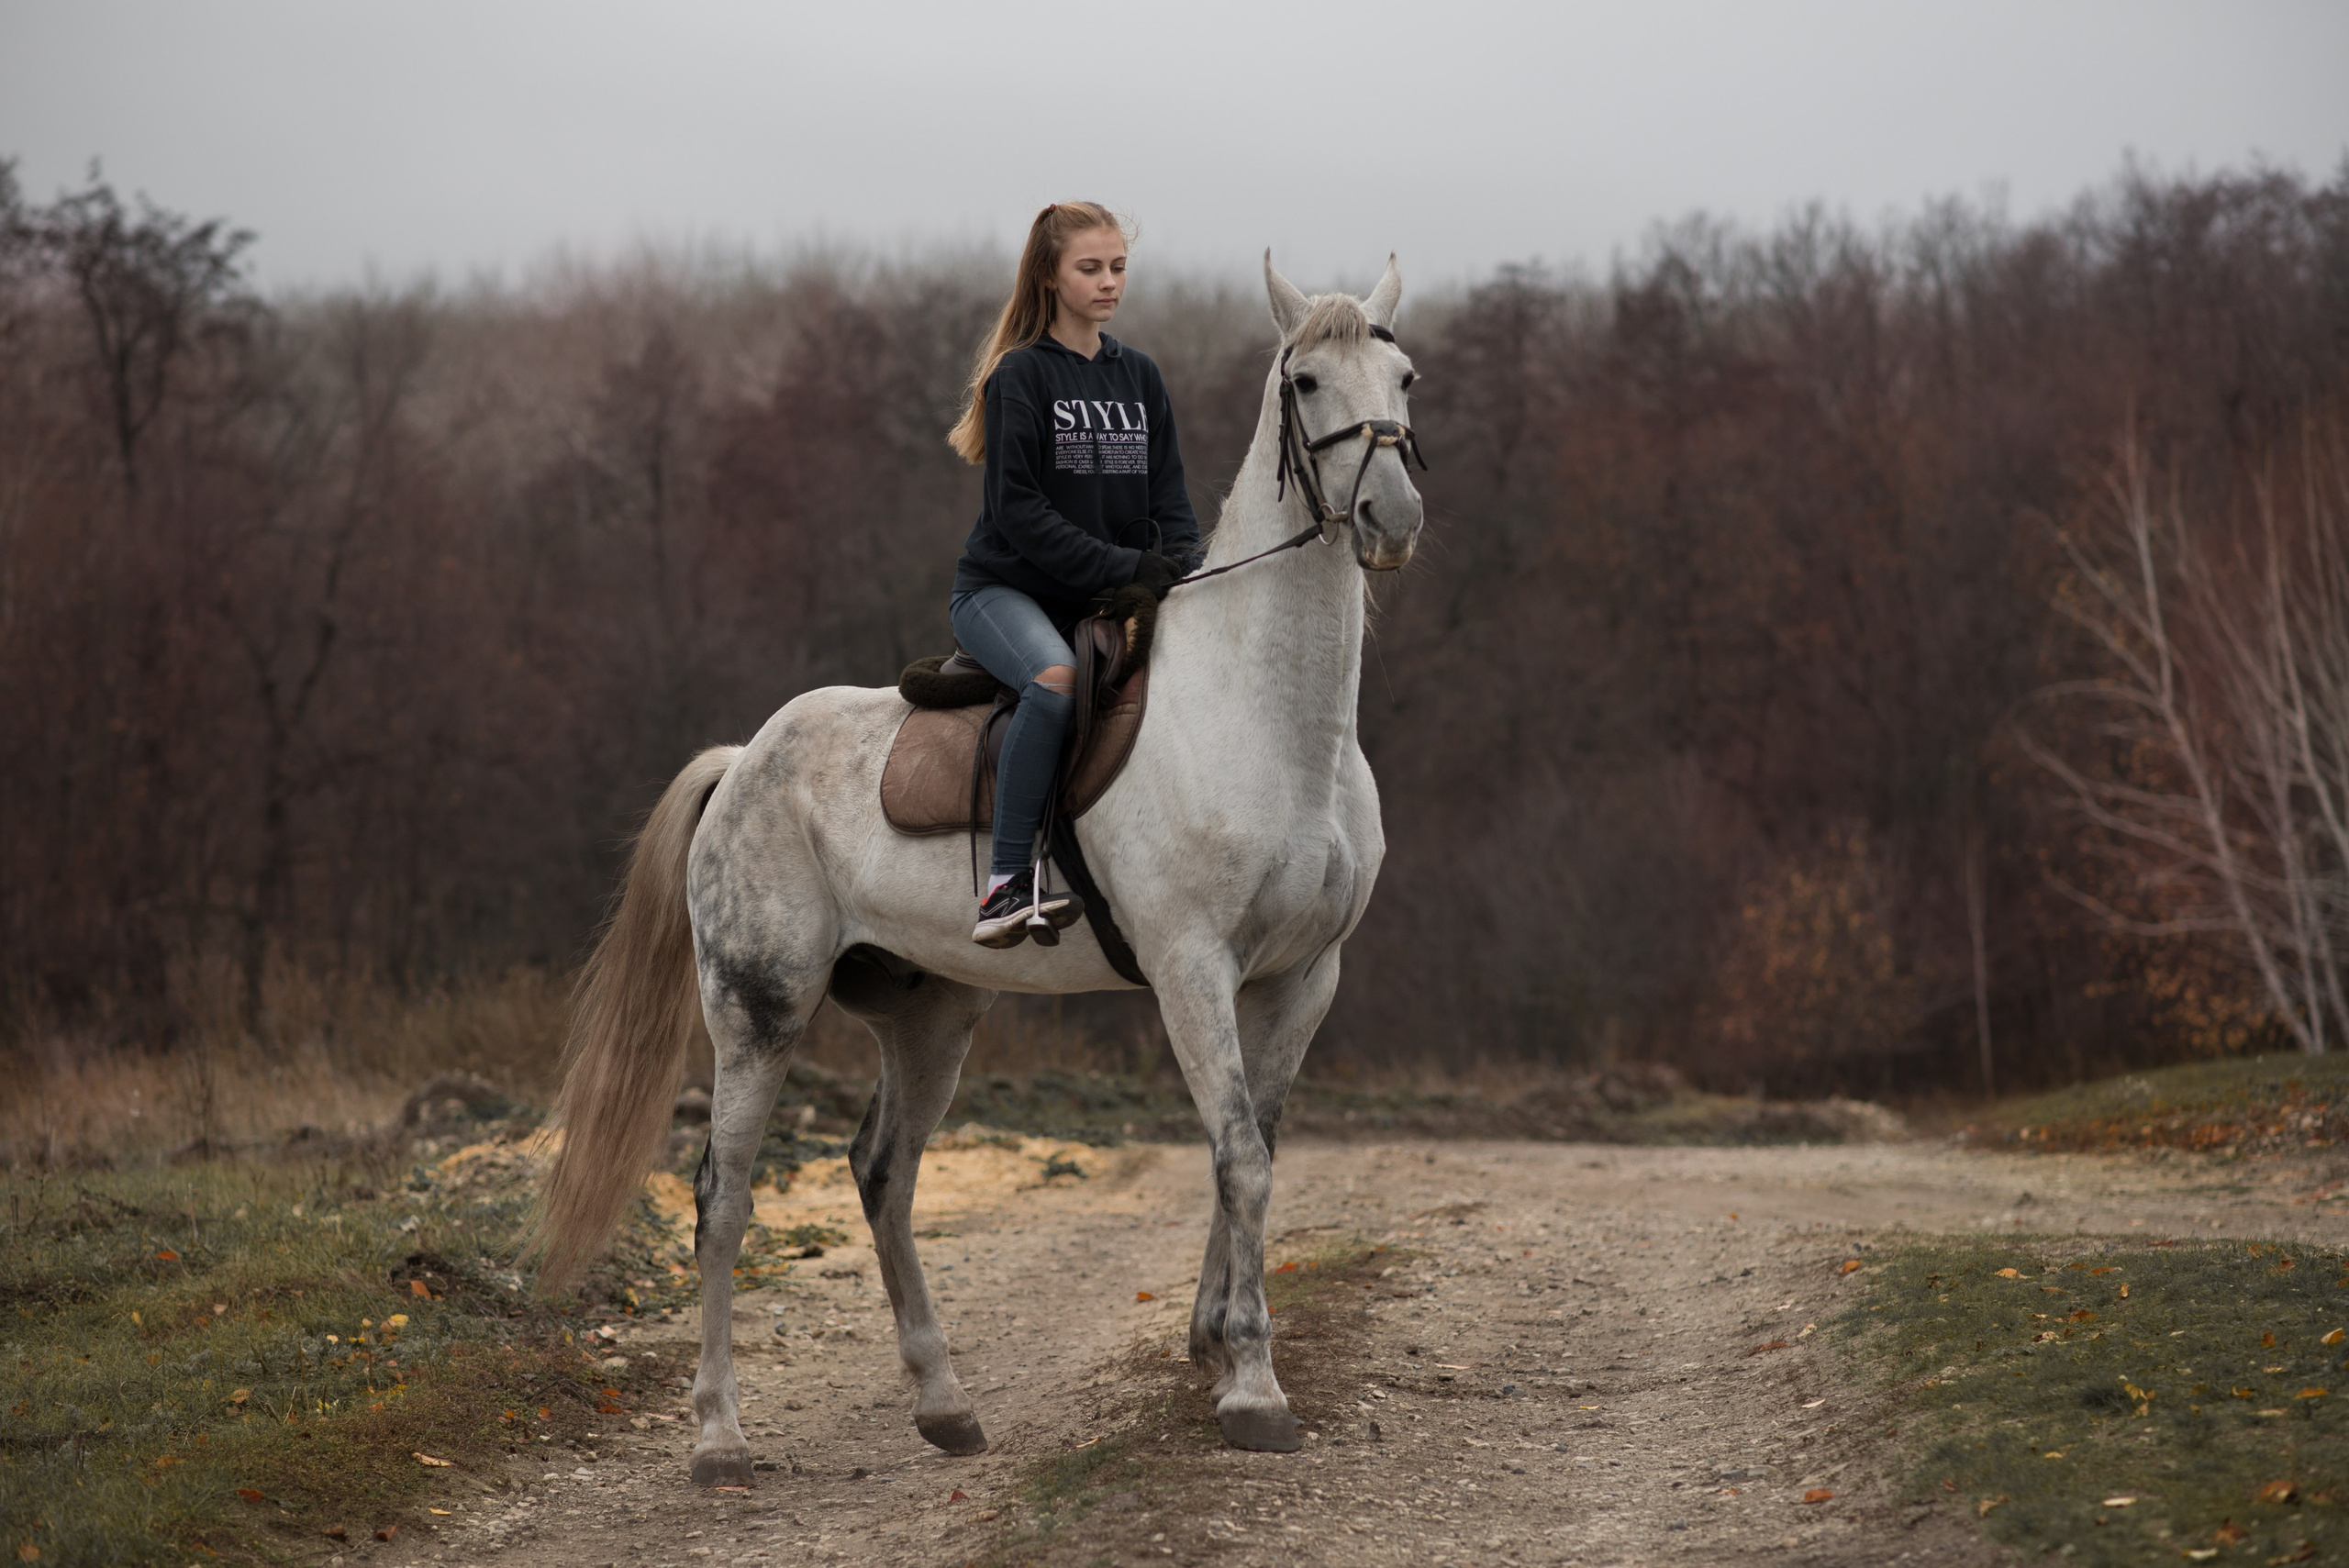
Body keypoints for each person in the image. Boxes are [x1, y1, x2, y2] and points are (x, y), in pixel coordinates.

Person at [946, 202, 1201, 949]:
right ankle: (1004, 884)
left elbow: (1171, 502)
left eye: (1118, 267)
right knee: (1055, 681)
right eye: (1090, 268)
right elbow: (1020, 514)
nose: (1109, 281)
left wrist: (1187, 571)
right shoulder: (1019, 376)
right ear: (1050, 276)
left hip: (1105, 595)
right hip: (1004, 591)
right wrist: (1125, 567)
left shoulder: (1140, 376)